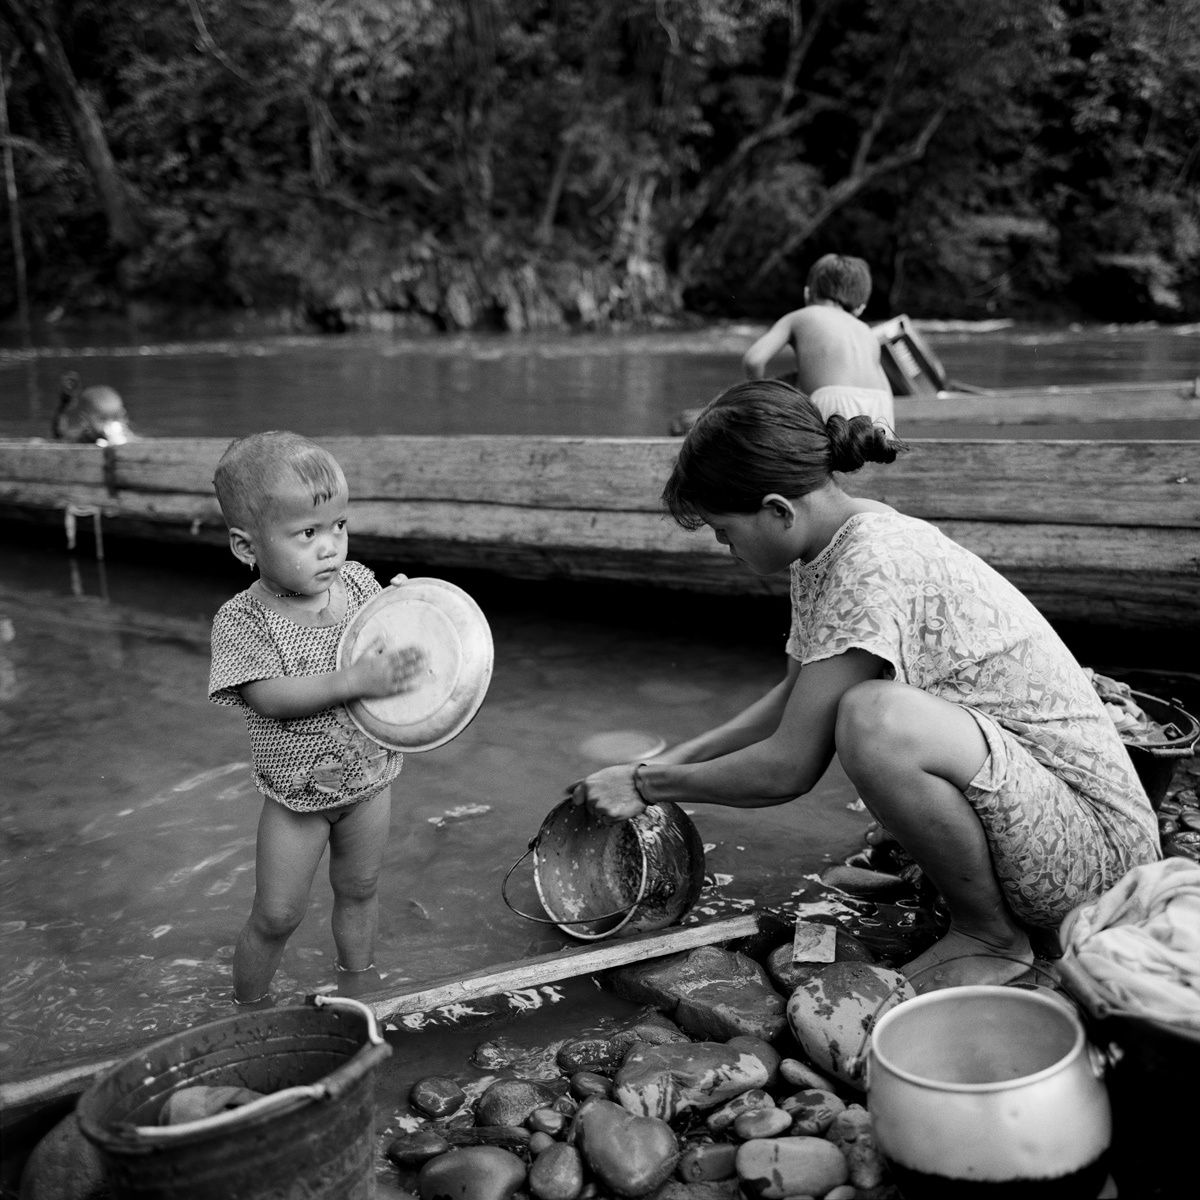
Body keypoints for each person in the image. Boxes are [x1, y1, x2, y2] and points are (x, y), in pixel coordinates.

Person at [571, 380, 1160, 992]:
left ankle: (991, 939)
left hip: (1095, 865)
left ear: (778, 510)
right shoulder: (825, 549)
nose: (724, 546)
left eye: (724, 529)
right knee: (861, 713)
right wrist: (664, 764)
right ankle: (979, 911)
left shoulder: (870, 561)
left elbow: (787, 769)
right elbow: (792, 700)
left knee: (872, 720)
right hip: (1045, 821)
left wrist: (644, 784)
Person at [209, 430, 426, 1006]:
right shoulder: (243, 619)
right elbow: (270, 699)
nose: (331, 546)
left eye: (339, 525)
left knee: (360, 890)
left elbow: (388, 644)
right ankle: (247, 1010)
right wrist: (352, 680)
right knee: (277, 915)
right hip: (295, 802)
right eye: (307, 534)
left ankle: (360, 990)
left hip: (369, 783)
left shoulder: (356, 583)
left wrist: (407, 609)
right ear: (246, 546)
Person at [742, 254, 895, 428]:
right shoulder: (866, 330)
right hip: (880, 408)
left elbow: (753, 360)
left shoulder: (800, 317)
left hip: (833, 406)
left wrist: (760, 401)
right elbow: (885, 389)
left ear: (807, 293)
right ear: (859, 308)